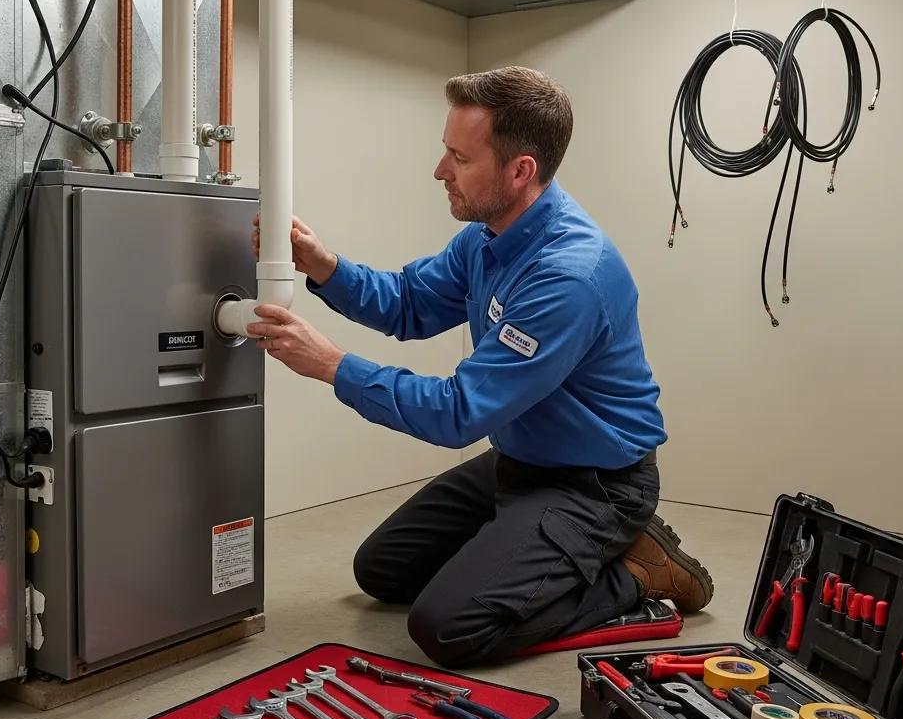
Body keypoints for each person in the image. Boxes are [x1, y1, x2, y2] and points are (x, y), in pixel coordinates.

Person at [248, 66, 713, 666]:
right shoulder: (489, 236)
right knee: (382, 570)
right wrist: (323, 265)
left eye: (458, 158)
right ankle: (531, 550)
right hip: (520, 460)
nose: (441, 170)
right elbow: (410, 303)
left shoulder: (568, 276)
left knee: (450, 627)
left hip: (596, 484)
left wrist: (332, 365)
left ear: (520, 170)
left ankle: (635, 574)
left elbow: (457, 412)